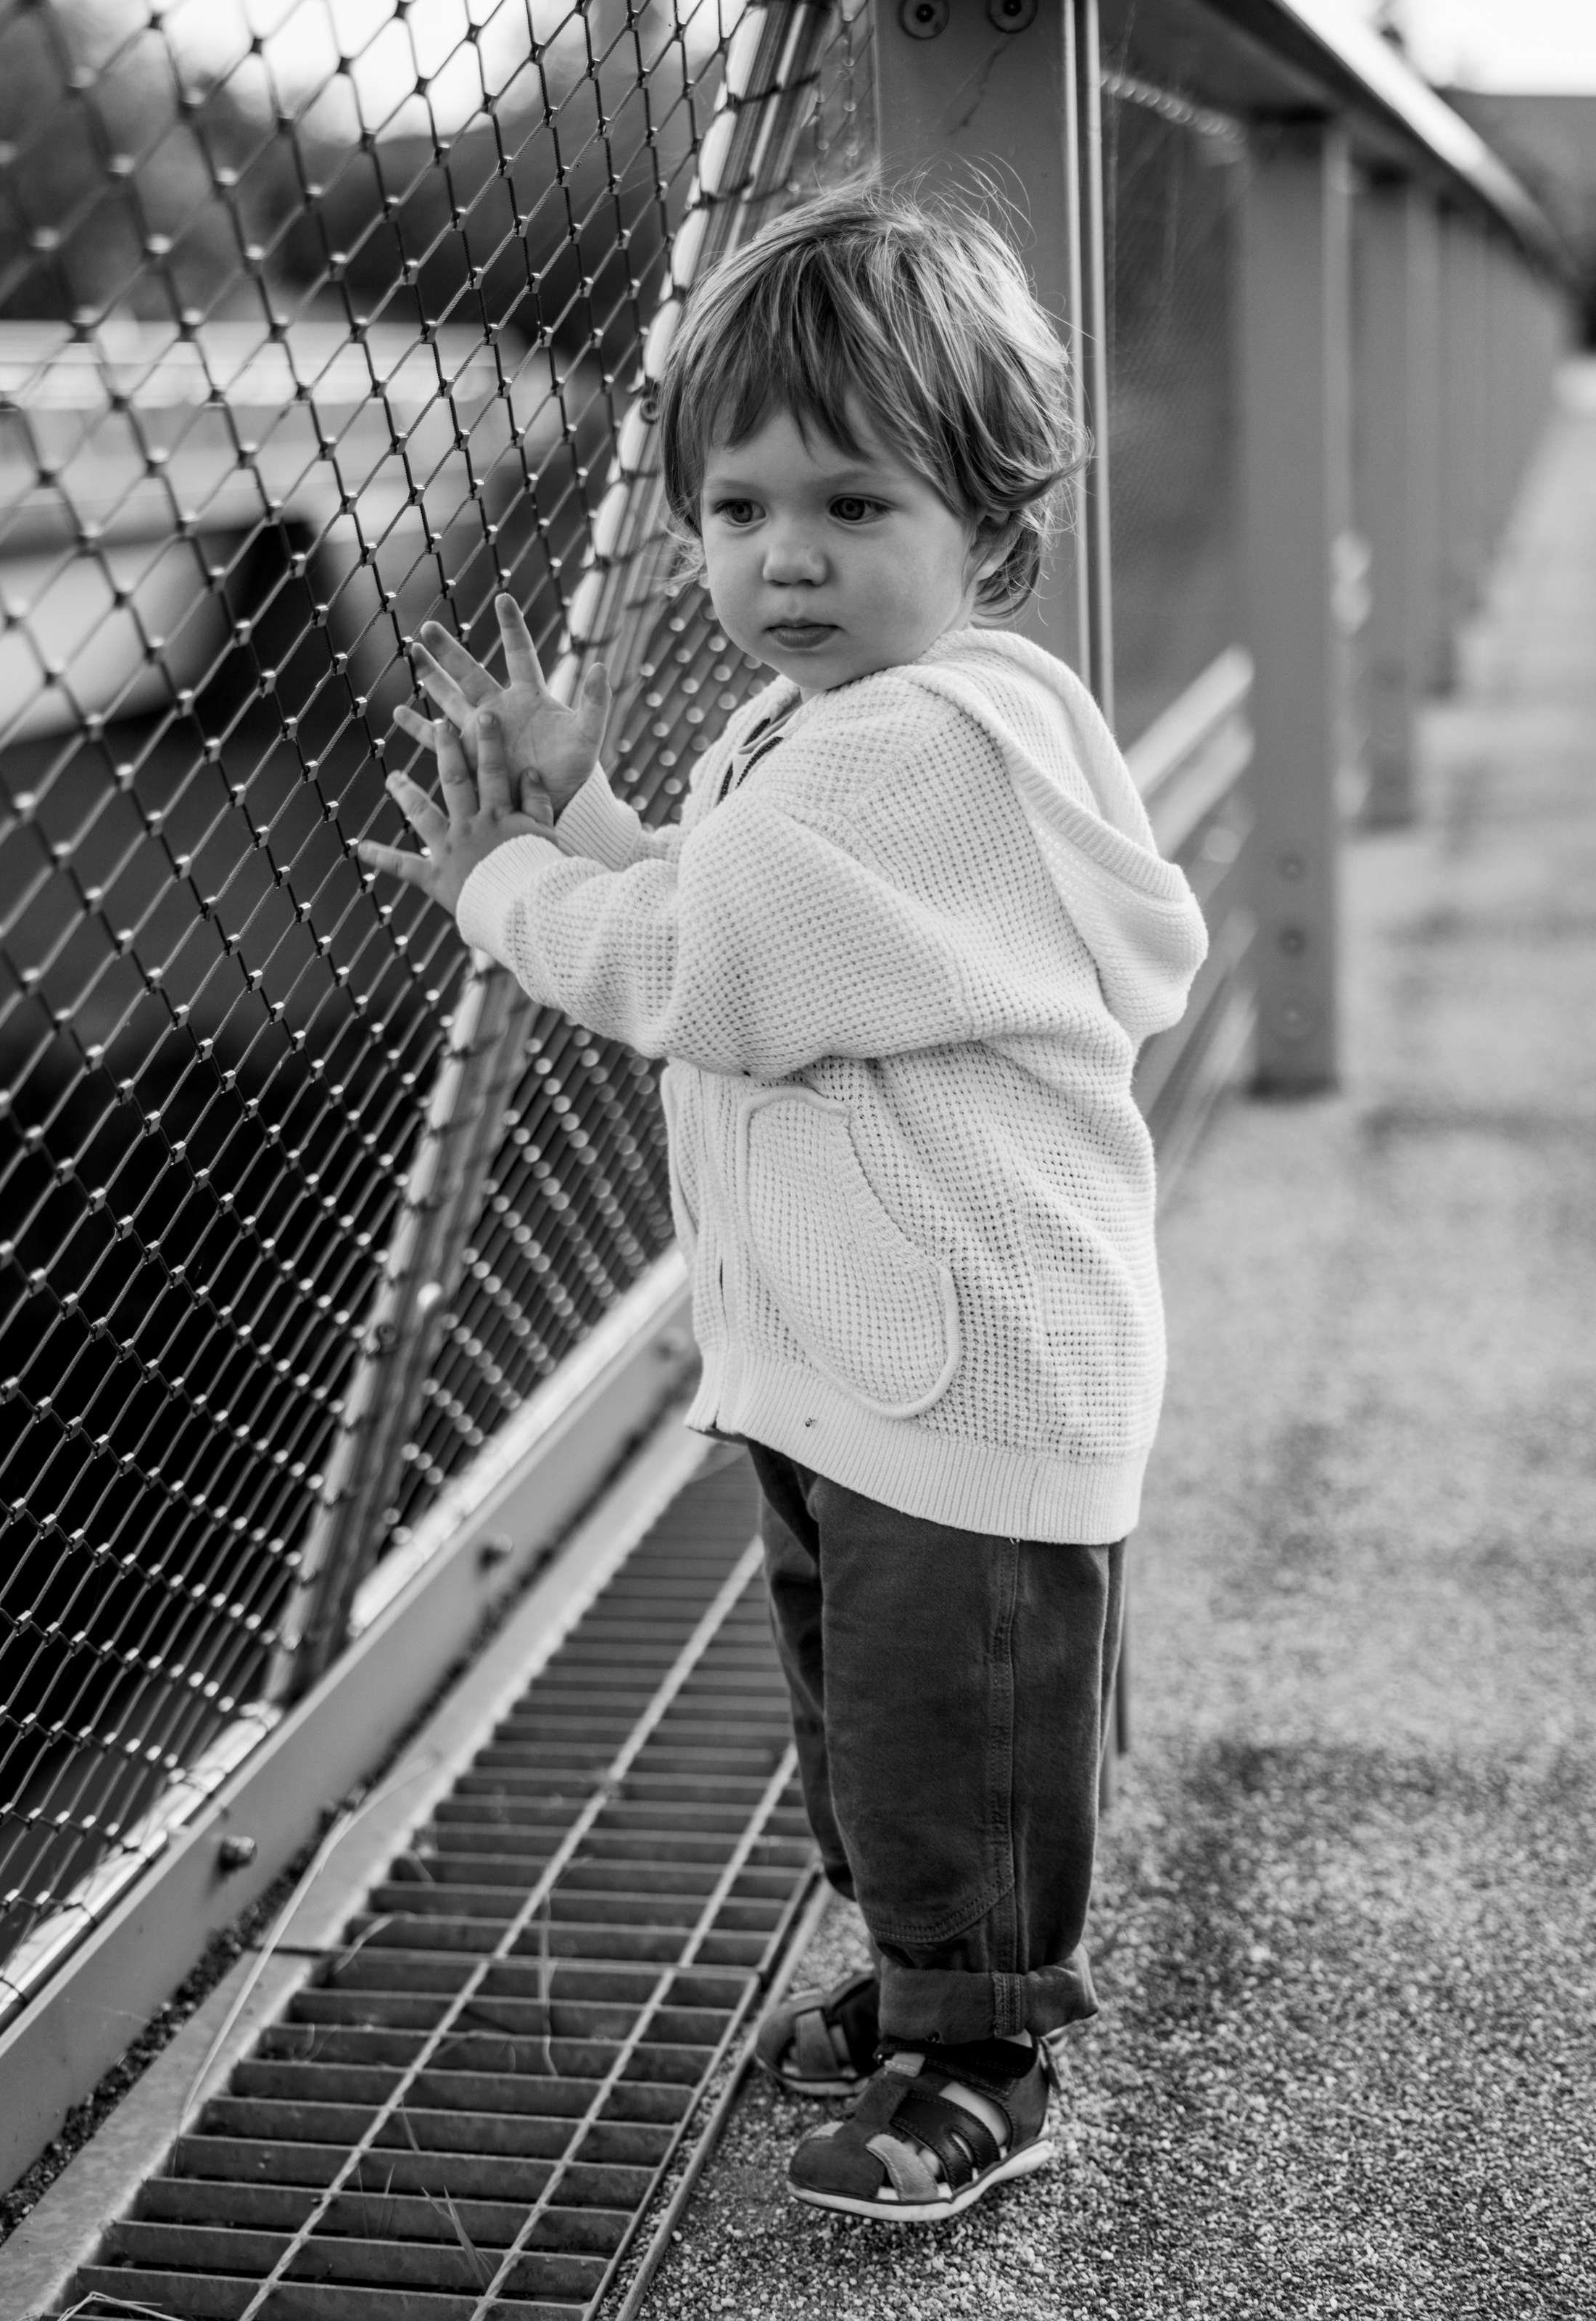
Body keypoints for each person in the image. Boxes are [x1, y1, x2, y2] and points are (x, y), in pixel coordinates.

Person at [358, 181, 1208, 2224]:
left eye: (852, 505)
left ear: (988, 531)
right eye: (738, 510)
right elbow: (720, 900)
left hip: (963, 1362)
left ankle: (985, 2052)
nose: (787, 558)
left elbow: (704, 973)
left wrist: (501, 884)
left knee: (951, 1719)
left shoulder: (912, 747)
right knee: (864, 1706)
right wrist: (578, 812)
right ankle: (923, 1974)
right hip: (871, 1344)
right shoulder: (812, 729)